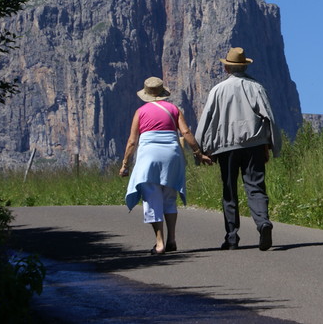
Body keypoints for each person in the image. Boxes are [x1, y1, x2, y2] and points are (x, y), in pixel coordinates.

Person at [195, 46, 283, 251]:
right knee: (255, 186)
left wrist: (200, 150)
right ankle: (263, 223)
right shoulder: (256, 87)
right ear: (244, 66)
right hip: (254, 145)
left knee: (229, 190)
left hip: (226, 148)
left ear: (227, 68)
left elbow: (206, 121)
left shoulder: (217, 90)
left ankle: (232, 236)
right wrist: (271, 145)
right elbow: (269, 117)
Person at [120, 77, 213, 254]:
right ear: (163, 93)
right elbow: (185, 132)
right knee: (169, 198)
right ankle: (172, 239)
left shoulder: (140, 112)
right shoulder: (174, 109)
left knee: (152, 198)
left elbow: (132, 142)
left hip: (149, 157)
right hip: (172, 156)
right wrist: (198, 154)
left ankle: (160, 243)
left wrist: (125, 164)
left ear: (146, 94)